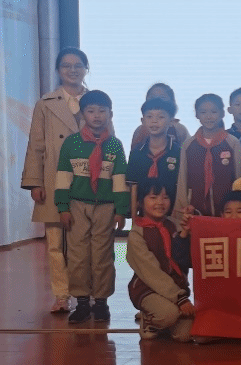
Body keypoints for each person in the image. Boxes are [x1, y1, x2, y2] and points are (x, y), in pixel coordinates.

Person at [22, 47, 90, 313]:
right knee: (55, 243)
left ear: (86, 69)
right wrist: (35, 181)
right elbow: (36, 144)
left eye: (78, 65)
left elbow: (110, 140)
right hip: (53, 178)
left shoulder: (96, 101)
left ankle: (86, 293)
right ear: (58, 70)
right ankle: (62, 295)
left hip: (88, 179)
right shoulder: (45, 103)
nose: (72, 70)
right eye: (66, 65)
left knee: (86, 241)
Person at [55, 90, 128, 324]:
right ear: (82, 115)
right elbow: (63, 179)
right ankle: (82, 303)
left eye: (102, 111)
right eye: (91, 111)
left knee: (103, 255)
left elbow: (120, 180)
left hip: (105, 207)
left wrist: (121, 210)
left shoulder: (115, 145)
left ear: (110, 114)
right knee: (77, 255)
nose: (97, 116)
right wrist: (63, 208)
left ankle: (102, 302)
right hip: (77, 205)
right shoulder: (71, 144)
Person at [127, 178, 193, 342]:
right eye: (153, 197)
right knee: (168, 314)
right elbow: (152, 273)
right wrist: (180, 298)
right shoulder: (137, 233)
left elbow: (183, 259)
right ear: (140, 202)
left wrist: (185, 233)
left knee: (185, 335)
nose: (160, 202)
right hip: (148, 289)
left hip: (174, 289)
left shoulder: (173, 226)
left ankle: (164, 323)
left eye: (165, 197)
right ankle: (149, 321)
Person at [175, 94, 241, 219]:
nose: (208, 116)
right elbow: (182, 180)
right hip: (195, 212)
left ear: (222, 114)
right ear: (197, 115)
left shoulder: (233, 143)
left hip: (228, 213)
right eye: (203, 112)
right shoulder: (188, 145)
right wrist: (182, 210)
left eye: (214, 112)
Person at [126, 98, 180, 222]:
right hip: (143, 216)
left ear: (171, 121)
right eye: (149, 117)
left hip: (171, 216)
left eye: (161, 117)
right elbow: (134, 188)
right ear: (142, 121)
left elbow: (181, 188)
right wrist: (134, 221)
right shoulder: (137, 152)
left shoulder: (178, 152)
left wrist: (176, 221)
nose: (154, 121)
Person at [130, 83, 191, 149]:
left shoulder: (179, 129)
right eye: (152, 97)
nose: (157, 100)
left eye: (162, 97)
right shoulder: (140, 130)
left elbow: (188, 150)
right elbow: (134, 152)